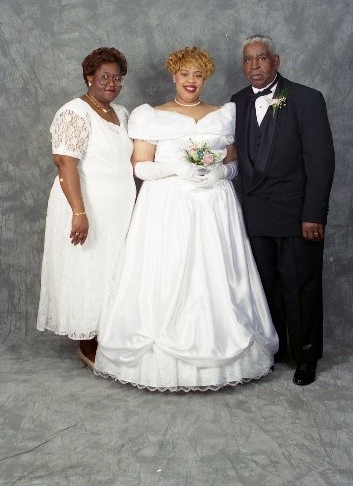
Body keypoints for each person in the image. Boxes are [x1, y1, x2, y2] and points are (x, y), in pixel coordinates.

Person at [94, 46, 278, 392]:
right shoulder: (151, 115)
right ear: (173, 76)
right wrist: (176, 168)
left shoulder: (224, 114)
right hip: (167, 207)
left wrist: (220, 174)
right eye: (184, 74)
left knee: (215, 274)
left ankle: (221, 344)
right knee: (168, 274)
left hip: (214, 207)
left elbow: (234, 163)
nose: (190, 81)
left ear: (205, 78)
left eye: (197, 74)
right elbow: (141, 167)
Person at [230, 35, 335, 386]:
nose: (253, 66)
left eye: (260, 59)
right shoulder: (237, 102)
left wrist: (314, 214)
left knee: (300, 286)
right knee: (265, 286)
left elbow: (320, 163)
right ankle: (274, 350)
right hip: (255, 215)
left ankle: (306, 357)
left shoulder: (306, 99)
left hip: (296, 216)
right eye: (247, 60)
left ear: (276, 61)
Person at [37, 47, 136, 368]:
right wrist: (79, 213)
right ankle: (87, 340)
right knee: (88, 268)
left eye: (117, 78)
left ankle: (108, 332)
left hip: (117, 209)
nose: (111, 83)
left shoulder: (121, 113)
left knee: (113, 269)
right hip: (84, 206)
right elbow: (65, 163)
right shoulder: (74, 112)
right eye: (104, 76)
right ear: (89, 77)